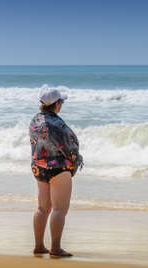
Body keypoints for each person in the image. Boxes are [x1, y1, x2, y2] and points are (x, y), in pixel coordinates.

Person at [29, 89, 83, 258]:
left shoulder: (35, 120)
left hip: (39, 166)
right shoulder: (58, 124)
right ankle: (56, 248)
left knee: (42, 208)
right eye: (62, 102)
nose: (62, 105)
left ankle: (39, 246)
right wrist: (75, 159)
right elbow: (71, 145)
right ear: (57, 104)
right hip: (58, 168)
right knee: (59, 209)